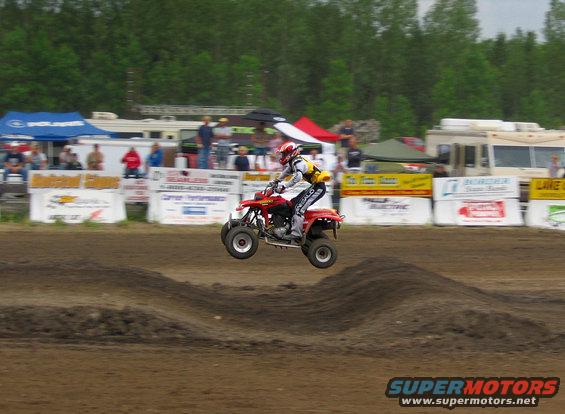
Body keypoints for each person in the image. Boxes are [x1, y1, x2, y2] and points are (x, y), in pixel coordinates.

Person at [272, 142, 331, 244]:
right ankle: (288, 227)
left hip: (318, 187)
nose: (282, 156)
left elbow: (298, 177)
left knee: (298, 208)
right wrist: (277, 181)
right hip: (315, 186)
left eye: (283, 154)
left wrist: (284, 186)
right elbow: (287, 172)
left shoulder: (298, 162)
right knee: (293, 203)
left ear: (289, 153)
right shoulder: (293, 161)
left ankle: (296, 235)